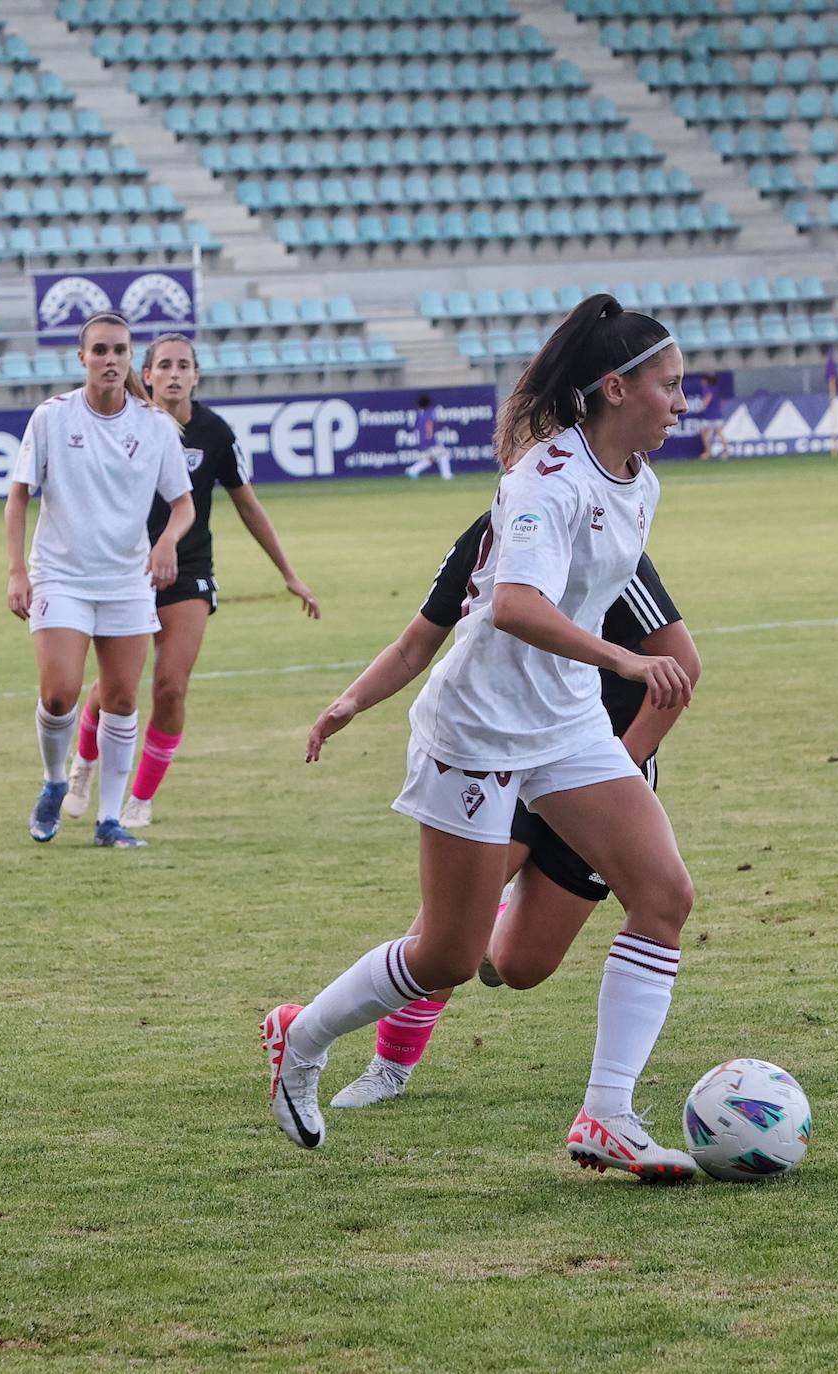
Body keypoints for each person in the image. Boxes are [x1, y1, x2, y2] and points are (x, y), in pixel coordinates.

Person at [263, 295, 700, 1181]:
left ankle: (607, 1116)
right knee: (449, 957)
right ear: (616, 389)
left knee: (664, 895)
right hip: (482, 725)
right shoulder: (545, 477)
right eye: (671, 385)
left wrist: (603, 672)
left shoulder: (640, 483)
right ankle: (300, 1042)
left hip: (566, 719)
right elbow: (515, 606)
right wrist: (623, 658)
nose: (681, 402)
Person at [322, 513, 698, 1109]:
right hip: (512, 756)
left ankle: (491, 918)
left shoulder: (596, 540)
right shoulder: (491, 535)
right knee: (444, 939)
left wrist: (616, 774)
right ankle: (387, 1068)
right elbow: (415, 640)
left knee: (521, 966)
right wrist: (351, 701)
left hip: (597, 766)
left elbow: (683, 663)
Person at [63, 334, 320, 829]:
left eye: (185, 365)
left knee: (171, 687)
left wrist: (288, 574)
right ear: (150, 375)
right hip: (125, 570)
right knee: (115, 687)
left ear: (196, 376)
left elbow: (247, 503)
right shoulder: (126, 423)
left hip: (189, 572)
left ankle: (140, 798)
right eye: (165, 365)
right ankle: (84, 765)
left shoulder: (215, 433)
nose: (175, 373)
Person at [4, 312, 194, 849]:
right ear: (82, 358)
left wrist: (165, 542)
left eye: (120, 351)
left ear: (131, 358)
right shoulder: (52, 418)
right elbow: (18, 496)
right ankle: (55, 780)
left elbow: (183, 505)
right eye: (101, 351)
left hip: (127, 582)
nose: (111, 360)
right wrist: (17, 570)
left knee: (121, 698)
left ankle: (109, 820)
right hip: (61, 575)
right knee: (61, 693)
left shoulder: (154, 425)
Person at [404, 393, 452, 480]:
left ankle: (412, 470)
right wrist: (429, 438)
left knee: (429, 460)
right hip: (429, 441)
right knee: (444, 454)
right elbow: (429, 425)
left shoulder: (420, 415)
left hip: (423, 441)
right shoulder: (429, 413)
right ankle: (447, 476)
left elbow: (416, 428)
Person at [692, 372, 727, 460]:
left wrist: (702, 406)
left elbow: (708, 397)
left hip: (710, 416)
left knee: (705, 432)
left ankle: (709, 451)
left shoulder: (706, 389)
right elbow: (720, 402)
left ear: (706, 380)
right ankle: (723, 451)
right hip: (716, 414)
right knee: (718, 433)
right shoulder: (716, 389)